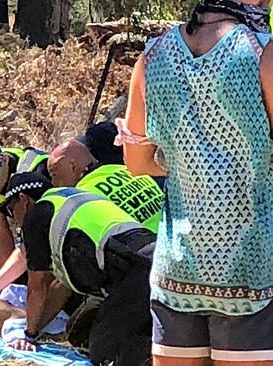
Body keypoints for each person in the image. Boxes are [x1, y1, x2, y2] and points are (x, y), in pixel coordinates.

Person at [123, 0, 273, 364]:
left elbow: (137, 163)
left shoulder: (152, 56)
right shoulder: (263, 52)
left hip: (177, 270)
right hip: (253, 270)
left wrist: (189, 163)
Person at [0, 172, 155, 366]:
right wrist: (36, 330)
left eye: (11, 210)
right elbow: (61, 287)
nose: (14, 220)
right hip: (148, 258)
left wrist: (28, 335)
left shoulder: (37, 216)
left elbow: (38, 285)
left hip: (134, 269)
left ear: (24, 200)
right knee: (80, 331)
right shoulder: (71, 198)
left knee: (105, 351)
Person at [0, 139, 164, 294]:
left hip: (141, 269)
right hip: (168, 249)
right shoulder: (126, 170)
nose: (53, 184)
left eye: (54, 174)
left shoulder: (81, 198)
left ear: (72, 166)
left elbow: (28, 258)